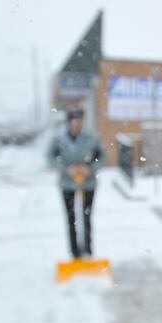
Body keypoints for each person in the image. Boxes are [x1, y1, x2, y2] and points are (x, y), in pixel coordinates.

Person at [47, 109, 107, 259]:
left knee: (86, 217)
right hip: (67, 184)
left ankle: (88, 250)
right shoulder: (59, 138)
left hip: (88, 184)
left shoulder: (91, 137)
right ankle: (75, 253)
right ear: (68, 123)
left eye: (78, 122)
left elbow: (102, 156)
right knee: (71, 218)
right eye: (73, 122)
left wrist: (90, 168)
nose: (76, 125)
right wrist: (66, 169)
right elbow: (51, 157)